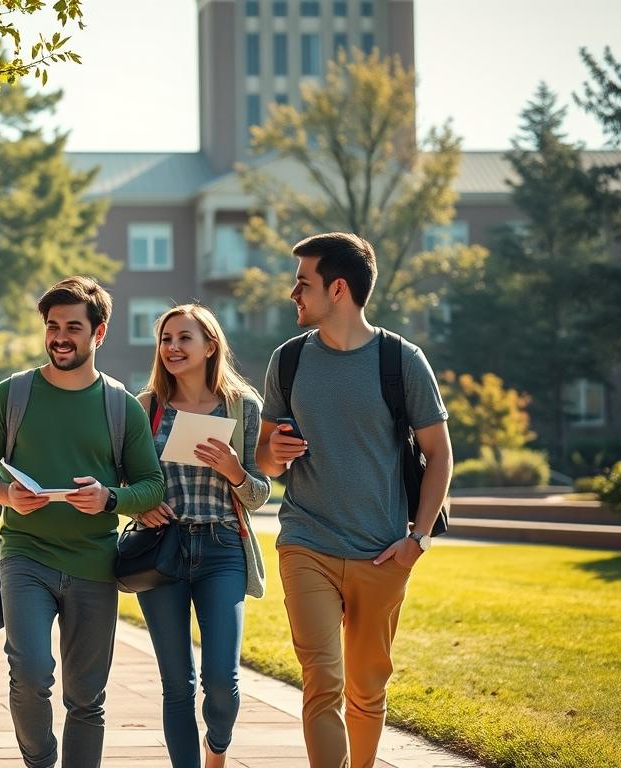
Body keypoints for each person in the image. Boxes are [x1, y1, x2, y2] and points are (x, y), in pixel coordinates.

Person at [255, 232, 452, 768]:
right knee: (323, 681)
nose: (293, 294)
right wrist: (273, 451)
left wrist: (419, 539)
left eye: (303, 283)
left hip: (382, 551)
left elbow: (438, 454)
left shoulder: (401, 360)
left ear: (338, 289)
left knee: (366, 688)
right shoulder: (288, 360)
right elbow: (265, 461)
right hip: (306, 543)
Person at [0, 276, 165, 768]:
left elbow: (151, 485)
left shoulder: (121, 406)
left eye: (73, 327)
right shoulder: (11, 395)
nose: (59, 336)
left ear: (99, 334)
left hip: (95, 564)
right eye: (52, 326)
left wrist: (109, 498)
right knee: (29, 672)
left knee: (86, 697)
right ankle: (39, 759)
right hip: (24, 555)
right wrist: (6, 494)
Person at [132, 304, 271, 768]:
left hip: (222, 548)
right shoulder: (146, 407)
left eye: (183, 338)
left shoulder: (242, 405)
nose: (172, 347)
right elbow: (123, 481)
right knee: (177, 683)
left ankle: (218, 746)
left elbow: (258, 495)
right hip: (161, 551)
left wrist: (234, 470)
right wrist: (141, 502)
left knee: (221, 679)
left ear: (210, 345)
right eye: (166, 339)